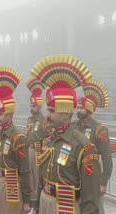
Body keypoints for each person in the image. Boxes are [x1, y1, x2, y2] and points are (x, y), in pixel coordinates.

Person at [31, 54, 101, 213]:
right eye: (48, 110)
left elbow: (91, 199)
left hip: (66, 208)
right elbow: (42, 177)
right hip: (45, 203)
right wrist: (36, 203)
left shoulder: (83, 146)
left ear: (67, 114)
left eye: (52, 110)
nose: (47, 115)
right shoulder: (48, 141)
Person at [0, 66, 31, 214]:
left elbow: (25, 171)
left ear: (10, 114)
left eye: (1, 113)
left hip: (13, 184)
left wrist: (27, 201)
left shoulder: (18, 137)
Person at [72, 78, 112, 214]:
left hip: (93, 177)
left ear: (89, 109)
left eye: (81, 107)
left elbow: (107, 158)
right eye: (77, 107)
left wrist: (103, 182)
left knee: (96, 208)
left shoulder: (99, 129)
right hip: (75, 177)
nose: (78, 110)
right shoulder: (73, 126)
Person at [25, 77, 48, 210]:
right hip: (29, 149)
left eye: (33, 106)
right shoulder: (30, 119)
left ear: (39, 106)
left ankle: (37, 203)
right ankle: (32, 201)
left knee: (37, 178)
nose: (31, 108)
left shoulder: (44, 120)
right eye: (30, 106)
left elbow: (46, 139)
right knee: (29, 177)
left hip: (38, 152)